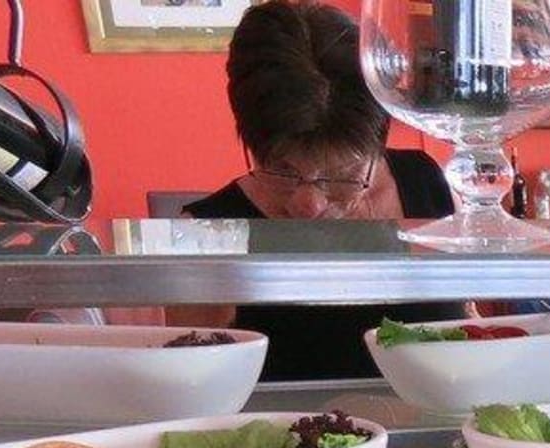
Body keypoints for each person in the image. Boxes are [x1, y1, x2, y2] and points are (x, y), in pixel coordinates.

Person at [179, 0, 459, 381]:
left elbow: (465, 325)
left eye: (341, 175)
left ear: (377, 147)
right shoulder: (206, 230)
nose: (309, 204)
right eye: (283, 170)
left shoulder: (426, 182)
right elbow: (194, 385)